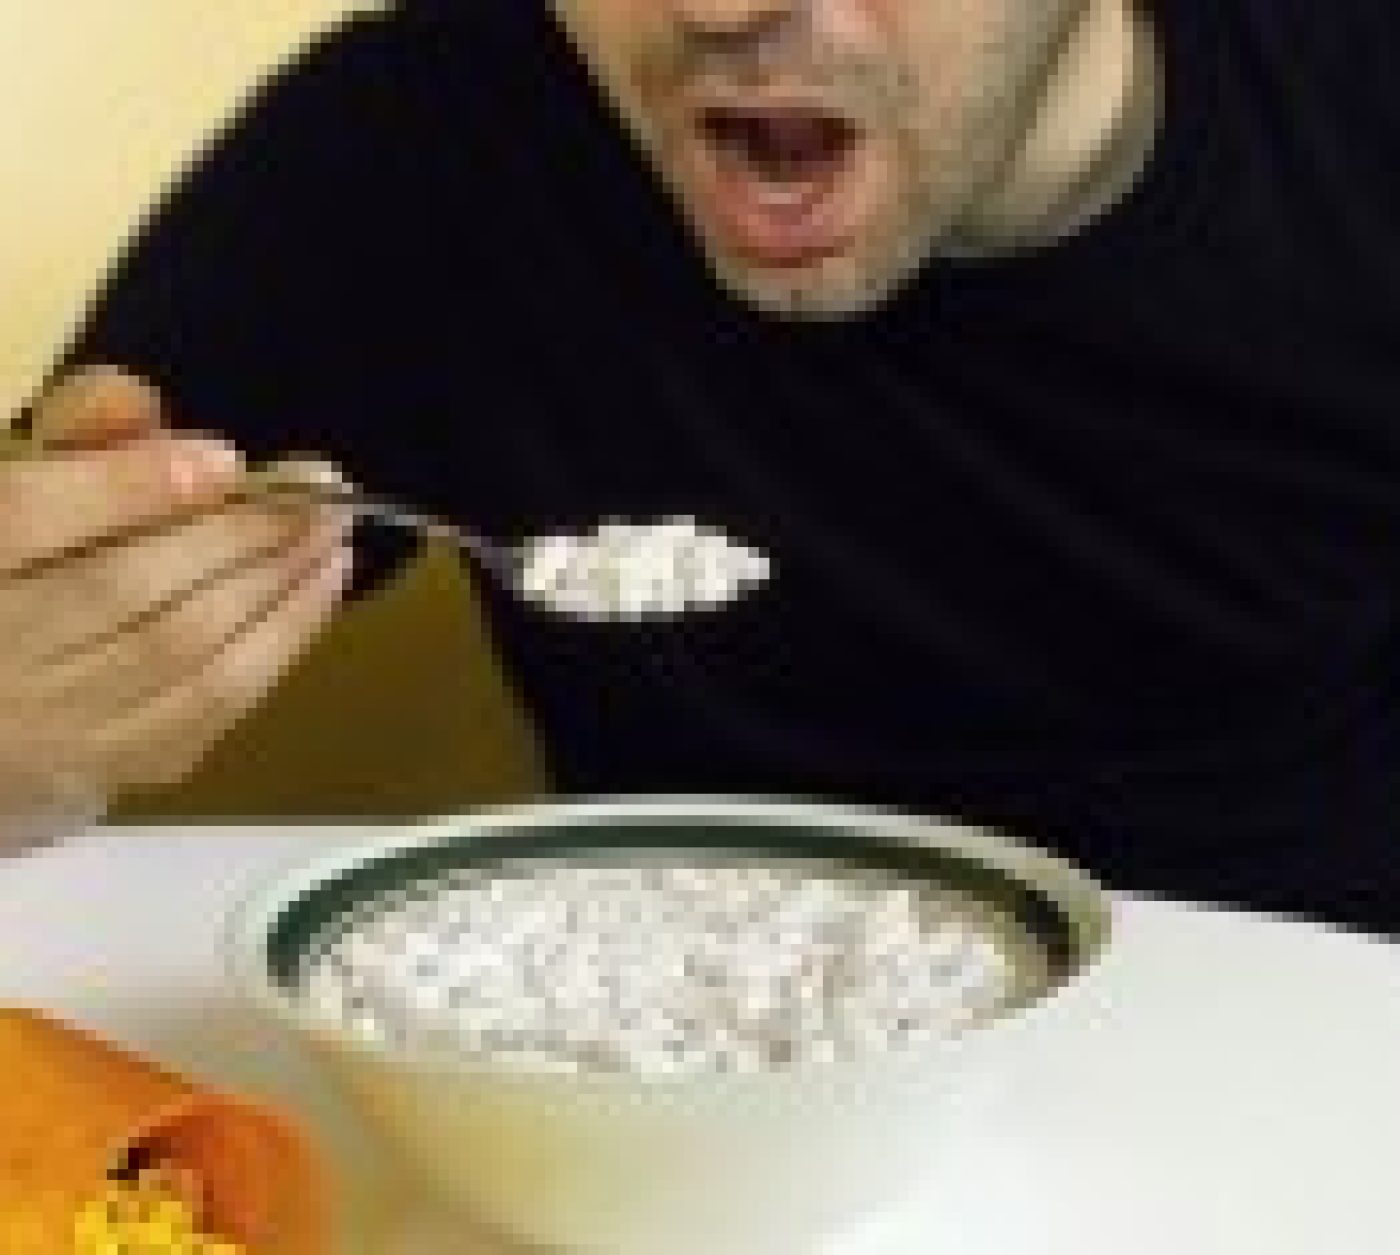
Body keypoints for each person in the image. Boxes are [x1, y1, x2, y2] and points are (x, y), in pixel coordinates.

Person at [4, 0, 1399, 937]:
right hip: (667, 1089)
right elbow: (54, 592)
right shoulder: (419, 144)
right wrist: (33, 725)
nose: (720, 9)